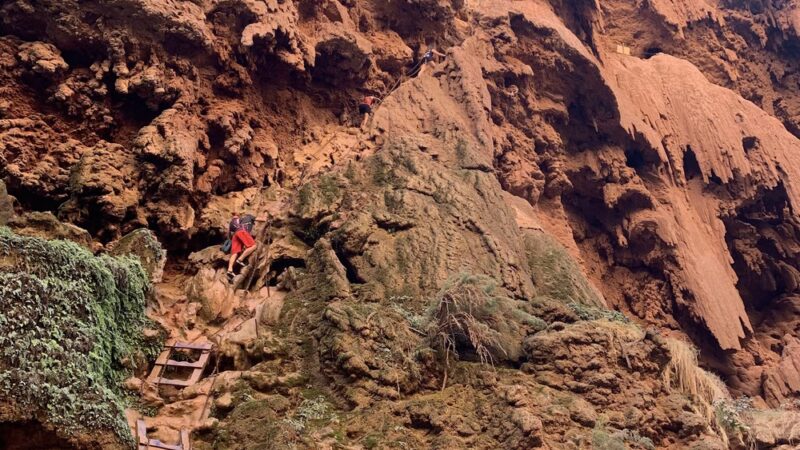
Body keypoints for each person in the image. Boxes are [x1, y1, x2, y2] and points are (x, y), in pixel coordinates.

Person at [226, 212, 268, 281]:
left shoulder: (233, 223)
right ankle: (240, 259)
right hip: (242, 231)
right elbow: (262, 219)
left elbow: (230, 235)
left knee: (234, 253)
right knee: (253, 246)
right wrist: (266, 218)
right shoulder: (249, 216)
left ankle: (230, 269)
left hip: (235, 235)